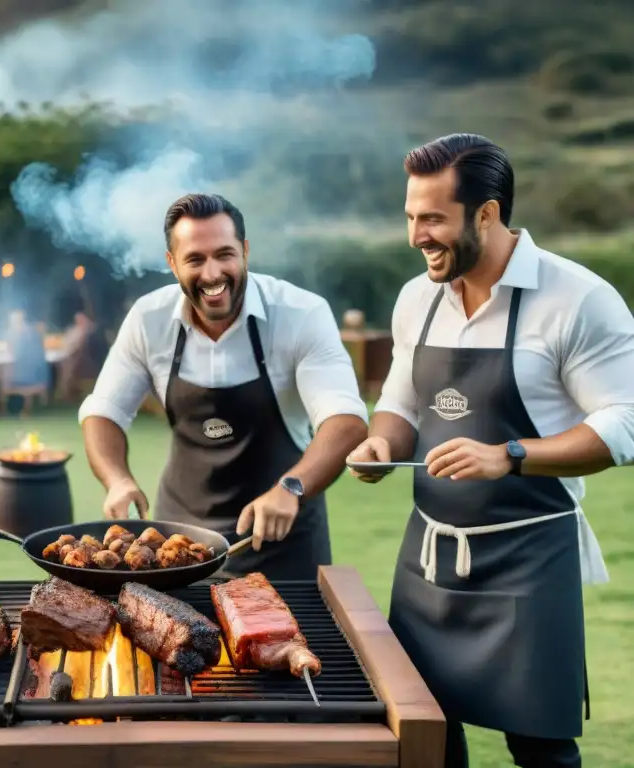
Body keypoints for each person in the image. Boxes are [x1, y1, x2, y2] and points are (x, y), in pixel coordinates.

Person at [346, 134, 630, 768]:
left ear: (487, 213)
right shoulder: (416, 297)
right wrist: (378, 444)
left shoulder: (578, 299)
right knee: (426, 737)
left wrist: (511, 454)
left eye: (433, 219)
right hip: (427, 564)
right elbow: (400, 405)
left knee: (542, 748)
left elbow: (624, 424)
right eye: (411, 217)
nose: (416, 235)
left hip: (529, 562)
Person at [79, 193, 368, 576]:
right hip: (178, 549)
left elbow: (345, 419)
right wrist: (118, 480)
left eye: (225, 254)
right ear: (172, 263)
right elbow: (104, 412)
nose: (213, 274)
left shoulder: (301, 313)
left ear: (245, 251)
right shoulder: (148, 319)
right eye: (195, 259)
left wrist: (291, 488)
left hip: (283, 547)